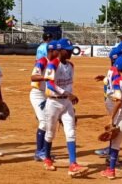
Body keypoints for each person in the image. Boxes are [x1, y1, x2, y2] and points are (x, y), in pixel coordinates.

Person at [42, 38, 88, 177]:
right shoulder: (53, 65)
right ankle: (47, 158)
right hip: (53, 102)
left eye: (70, 51)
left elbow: (69, 84)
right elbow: (49, 84)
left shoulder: (71, 65)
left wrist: (70, 96)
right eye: (67, 51)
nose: (70, 53)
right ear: (60, 51)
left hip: (66, 103)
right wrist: (67, 93)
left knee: (71, 131)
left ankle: (73, 164)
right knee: (50, 133)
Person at [30, 40, 60, 161]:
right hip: (38, 95)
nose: (58, 53)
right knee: (43, 122)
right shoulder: (42, 61)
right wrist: (46, 78)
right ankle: (39, 152)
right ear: (51, 51)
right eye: (57, 50)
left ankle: (43, 151)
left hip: (47, 95)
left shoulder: (55, 63)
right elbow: (33, 76)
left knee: (48, 122)